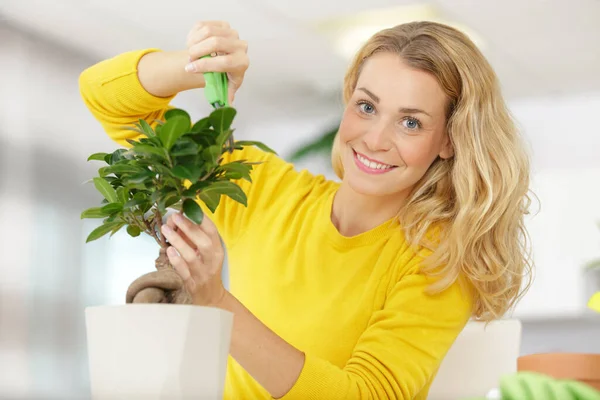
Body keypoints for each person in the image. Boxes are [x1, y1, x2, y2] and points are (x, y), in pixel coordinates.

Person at [79, 20, 533, 400]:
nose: (375, 139)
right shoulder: (266, 190)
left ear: (449, 140)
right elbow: (104, 98)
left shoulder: (439, 261)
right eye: (367, 106)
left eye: (410, 122)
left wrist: (217, 301)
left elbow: (365, 395)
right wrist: (192, 65)